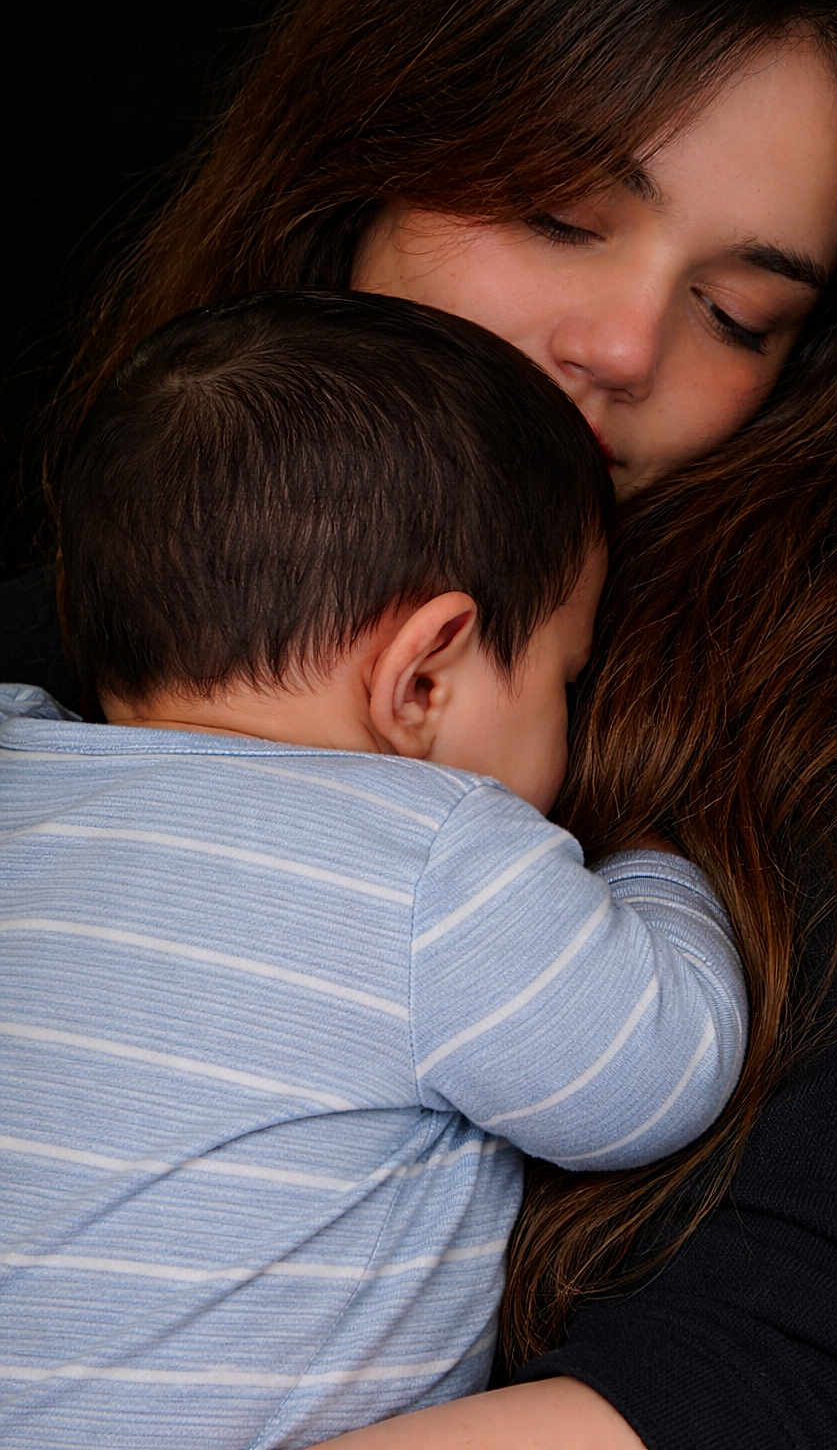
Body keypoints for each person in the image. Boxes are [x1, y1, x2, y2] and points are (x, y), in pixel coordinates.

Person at [2, 0, 837, 1445]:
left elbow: (817, 1356)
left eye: (740, 315)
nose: (621, 344)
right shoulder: (47, 654)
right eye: (559, 214)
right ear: (362, 153)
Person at [0, 288, 748, 1446]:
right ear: (424, 680)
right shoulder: (432, 852)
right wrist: (648, 855)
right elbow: (658, 1068)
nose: (573, 714)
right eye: (565, 674)